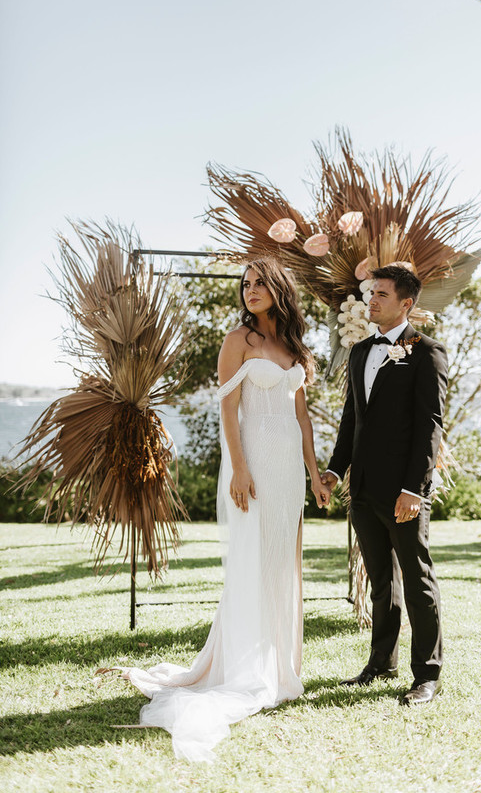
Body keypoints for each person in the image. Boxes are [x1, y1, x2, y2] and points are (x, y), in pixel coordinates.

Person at [122, 255, 329, 761]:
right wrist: (239, 468)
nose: (250, 290)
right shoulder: (239, 341)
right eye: (246, 284)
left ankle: (279, 665)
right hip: (253, 462)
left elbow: (301, 417)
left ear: (279, 289)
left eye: (260, 283)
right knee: (252, 564)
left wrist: (316, 472)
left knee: (282, 565)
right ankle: (243, 669)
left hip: (288, 473)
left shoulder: (295, 347)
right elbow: (228, 410)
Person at [321, 263, 448, 706]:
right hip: (363, 492)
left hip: (404, 493)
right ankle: (381, 661)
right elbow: (351, 420)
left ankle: (426, 674)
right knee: (381, 581)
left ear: (406, 303)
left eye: (381, 295)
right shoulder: (359, 352)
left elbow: (430, 426)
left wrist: (415, 487)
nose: (371, 300)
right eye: (371, 293)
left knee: (417, 579)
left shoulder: (426, 352)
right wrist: (335, 470)